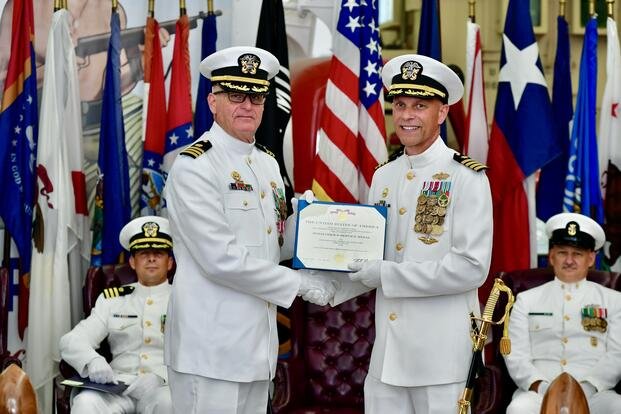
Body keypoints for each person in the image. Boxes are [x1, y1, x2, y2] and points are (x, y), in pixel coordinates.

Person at [162, 46, 336, 413]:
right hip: (209, 350)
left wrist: (312, 224)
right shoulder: (195, 167)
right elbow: (220, 260)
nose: (247, 106)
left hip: (257, 346)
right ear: (213, 101)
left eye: (256, 97)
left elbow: (274, 242)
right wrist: (300, 284)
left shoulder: (266, 164)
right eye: (235, 96)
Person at [329, 54, 493, 413]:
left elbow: (470, 268)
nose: (406, 115)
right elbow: (373, 258)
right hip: (387, 358)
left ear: (442, 112)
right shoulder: (384, 176)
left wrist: (386, 274)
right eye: (400, 105)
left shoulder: (466, 177)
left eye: (420, 106)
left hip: (441, 361)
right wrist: (328, 285)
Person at [504, 212, 621, 414]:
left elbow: (617, 355)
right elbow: (516, 355)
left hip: (594, 392)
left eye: (577, 254)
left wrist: (586, 389)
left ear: (591, 258)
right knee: (518, 409)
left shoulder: (614, 301)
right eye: (562, 253)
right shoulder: (526, 300)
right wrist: (542, 387)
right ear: (551, 256)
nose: (569, 260)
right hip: (539, 392)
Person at [59, 216, 174, 414]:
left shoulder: (184, 300)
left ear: (170, 262)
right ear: (132, 262)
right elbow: (71, 341)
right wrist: (92, 360)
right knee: (86, 402)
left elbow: (201, 350)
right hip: (119, 386)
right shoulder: (113, 299)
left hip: (164, 386)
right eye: (144, 253)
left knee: (169, 403)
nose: (151, 259)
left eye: (159, 253)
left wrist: (161, 376)